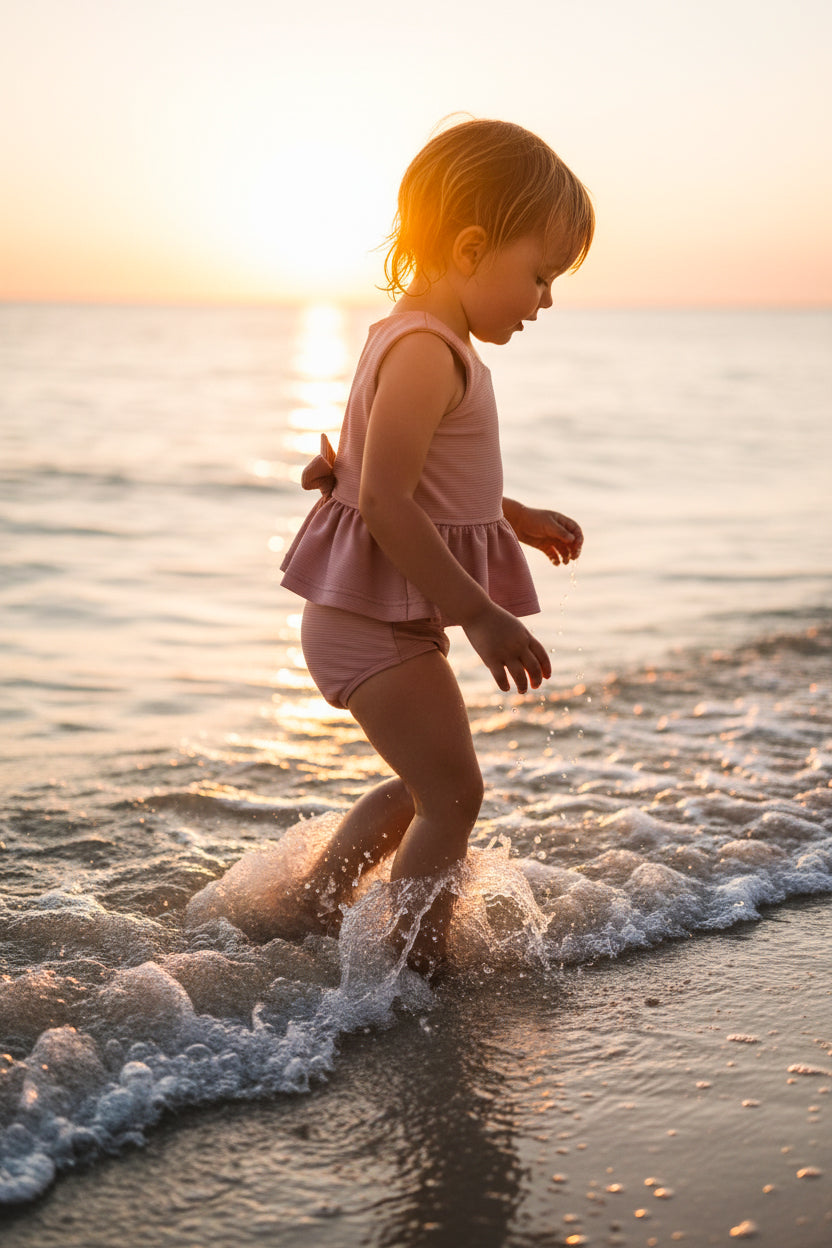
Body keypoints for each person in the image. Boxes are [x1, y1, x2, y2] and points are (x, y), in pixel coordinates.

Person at [279, 118, 594, 974]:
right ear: (470, 247)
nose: (544, 300)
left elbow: (424, 483)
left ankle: (309, 907)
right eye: (539, 275)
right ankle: (412, 974)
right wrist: (481, 614)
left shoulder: (422, 337)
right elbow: (385, 501)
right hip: (366, 622)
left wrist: (514, 516)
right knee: (454, 796)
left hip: (373, 615)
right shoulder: (425, 351)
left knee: (426, 788)